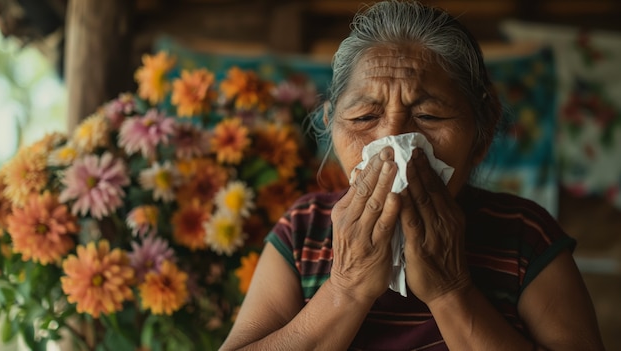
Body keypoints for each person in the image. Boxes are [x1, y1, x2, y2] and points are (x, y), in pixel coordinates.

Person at [220, 1, 605, 350]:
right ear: (330, 127)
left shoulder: (526, 235)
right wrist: (346, 289)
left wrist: (451, 291)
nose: (393, 141)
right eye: (364, 118)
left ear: (482, 133)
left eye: (429, 117)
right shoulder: (305, 230)